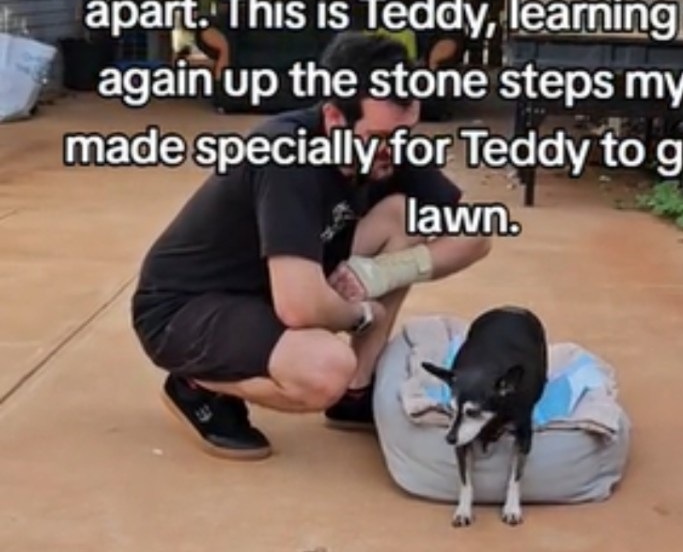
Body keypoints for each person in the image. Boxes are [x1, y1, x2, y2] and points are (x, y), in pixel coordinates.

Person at [130, 32, 491, 461]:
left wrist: (380, 273)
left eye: (405, 132)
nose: (395, 149)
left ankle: (357, 391)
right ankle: (194, 383)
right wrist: (362, 313)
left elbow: (476, 232)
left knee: (403, 214)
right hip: (184, 309)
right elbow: (299, 308)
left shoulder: (386, 143)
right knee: (323, 371)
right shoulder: (286, 155)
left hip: (273, 284)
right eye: (379, 136)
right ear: (336, 118)